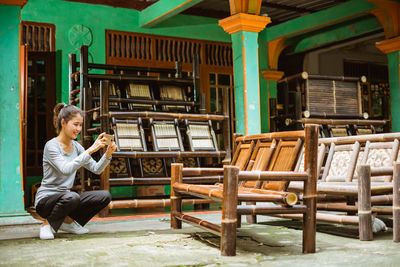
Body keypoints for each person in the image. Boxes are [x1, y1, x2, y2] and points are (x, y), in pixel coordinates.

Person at [34, 103, 116, 240]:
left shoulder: (77, 147)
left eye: (80, 125)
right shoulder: (51, 146)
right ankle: (47, 225)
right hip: (46, 201)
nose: (78, 129)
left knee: (104, 196)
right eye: (75, 124)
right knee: (72, 197)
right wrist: (91, 150)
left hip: (66, 199)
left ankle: (67, 222)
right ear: (63, 123)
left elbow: (96, 169)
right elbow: (66, 169)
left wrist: (108, 154)